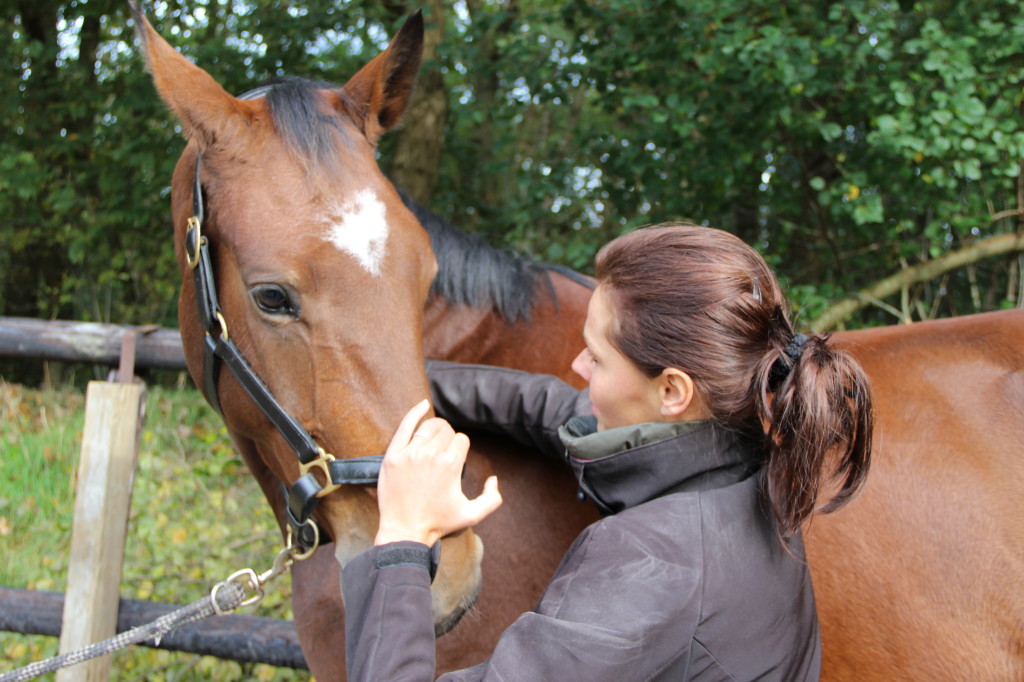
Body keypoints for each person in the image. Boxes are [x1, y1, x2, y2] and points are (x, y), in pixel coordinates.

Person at [342, 224, 873, 681]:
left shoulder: (647, 568)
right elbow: (550, 406)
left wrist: (403, 539)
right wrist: (396, 388)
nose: (577, 366)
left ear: (671, 391)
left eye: (596, 357)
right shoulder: (749, 452)